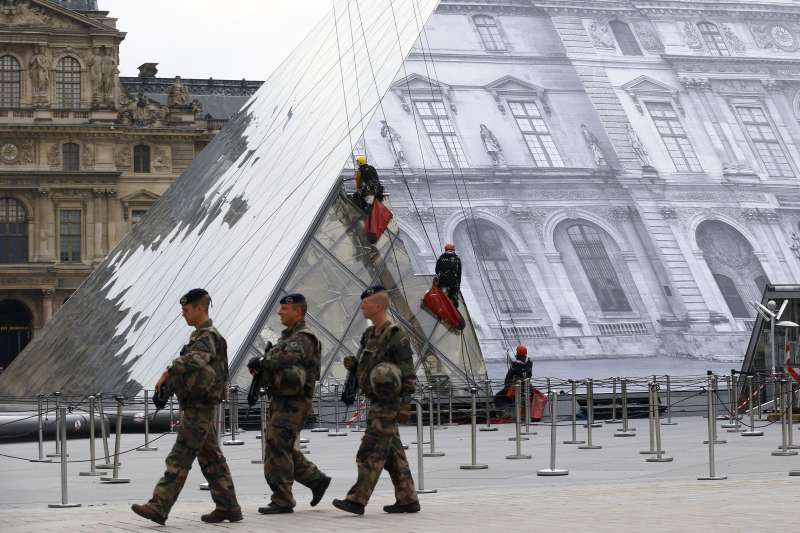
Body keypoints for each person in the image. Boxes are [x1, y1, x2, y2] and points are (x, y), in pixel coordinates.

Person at [132, 289, 241, 525]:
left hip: (198, 407)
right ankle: (229, 507)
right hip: (198, 404)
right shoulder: (202, 335)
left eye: (186, 310)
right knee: (211, 458)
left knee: (179, 457)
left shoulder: (206, 336)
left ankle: (158, 506)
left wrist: (169, 370)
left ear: (200, 308)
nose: (183, 314)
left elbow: (197, 360)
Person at [332, 286, 420, 515]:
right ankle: (407, 498)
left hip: (388, 403)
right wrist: (355, 365)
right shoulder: (369, 334)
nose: (362, 306)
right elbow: (366, 363)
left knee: (370, 450)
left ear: (379, 306)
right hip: (375, 399)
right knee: (393, 454)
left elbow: (408, 372)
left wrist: (405, 403)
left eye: (366, 303)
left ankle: (356, 499)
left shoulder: (395, 335)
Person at [247, 293, 331, 514]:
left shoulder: (304, 338)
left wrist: (263, 361)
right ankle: (316, 480)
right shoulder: (287, 338)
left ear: (297, 311)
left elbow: (287, 359)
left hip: (295, 402)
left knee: (278, 446)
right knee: (279, 445)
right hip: (282, 400)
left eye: (284, 309)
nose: (279, 312)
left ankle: (283, 499)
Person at [435, 243, 462, 307]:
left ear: (445, 249)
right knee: (453, 297)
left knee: (441, 297)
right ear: (453, 250)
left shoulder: (441, 258)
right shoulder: (457, 259)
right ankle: (453, 307)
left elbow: (436, 271)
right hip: (453, 282)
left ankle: (441, 307)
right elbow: (459, 273)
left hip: (443, 281)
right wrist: (458, 285)